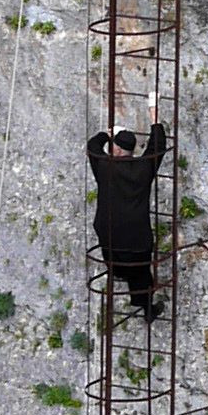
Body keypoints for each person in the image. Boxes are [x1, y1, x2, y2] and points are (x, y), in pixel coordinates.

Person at [88, 121, 167, 314]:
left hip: (110, 236)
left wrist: (105, 135)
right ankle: (146, 306)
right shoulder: (144, 168)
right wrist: (155, 122)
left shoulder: (105, 166)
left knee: (118, 264)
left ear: (115, 148)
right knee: (141, 274)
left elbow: (92, 146)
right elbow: (158, 147)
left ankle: (119, 274)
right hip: (137, 237)